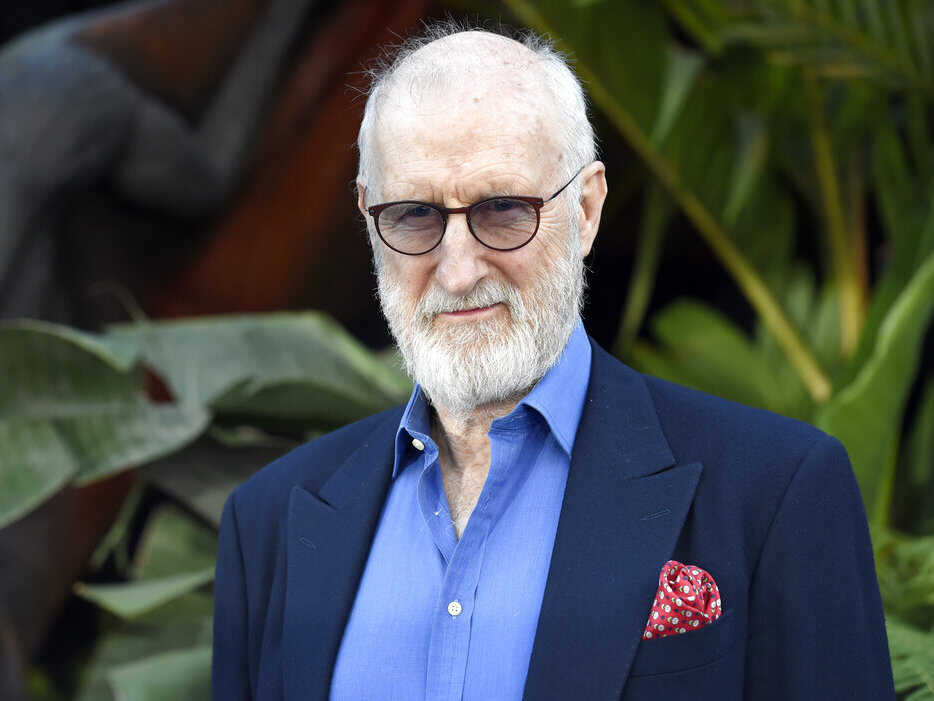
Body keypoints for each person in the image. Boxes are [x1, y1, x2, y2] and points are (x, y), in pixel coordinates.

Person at [211, 25, 895, 701]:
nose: (457, 271)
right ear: (369, 216)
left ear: (587, 208)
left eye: (503, 210)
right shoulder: (268, 523)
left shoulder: (774, 493)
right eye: (415, 215)